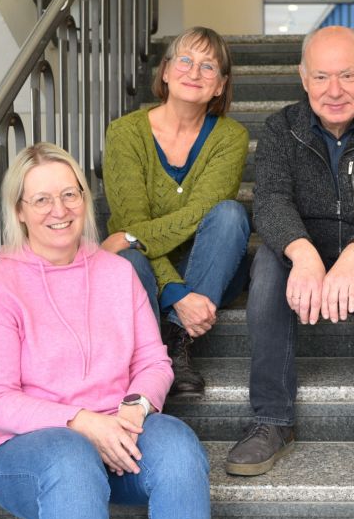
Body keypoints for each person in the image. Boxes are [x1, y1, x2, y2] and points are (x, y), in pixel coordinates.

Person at [0, 143, 210, 519]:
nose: (58, 210)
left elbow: (153, 361)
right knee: (71, 456)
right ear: (19, 210)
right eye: (41, 199)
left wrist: (135, 407)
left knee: (179, 449)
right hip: (27, 455)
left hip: (118, 437)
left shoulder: (118, 272)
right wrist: (82, 422)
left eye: (69, 194)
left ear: (83, 198)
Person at [224, 26, 354, 481]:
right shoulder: (280, 127)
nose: (335, 91)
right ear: (303, 77)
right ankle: (271, 418)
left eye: (348, 75)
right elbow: (271, 201)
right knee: (269, 266)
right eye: (321, 77)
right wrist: (303, 253)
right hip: (304, 269)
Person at [102, 26, 250, 396]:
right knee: (128, 261)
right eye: (184, 60)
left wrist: (134, 236)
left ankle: (177, 341)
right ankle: (158, 355)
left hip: (211, 265)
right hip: (146, 271)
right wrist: (177, 296)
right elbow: (131, 217)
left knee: (231, 215)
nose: (194, 72)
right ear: (165, 72)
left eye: (208, 66)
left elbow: (203, 212)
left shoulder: (230, 137)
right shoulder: (125, 133)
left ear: (220, 85)